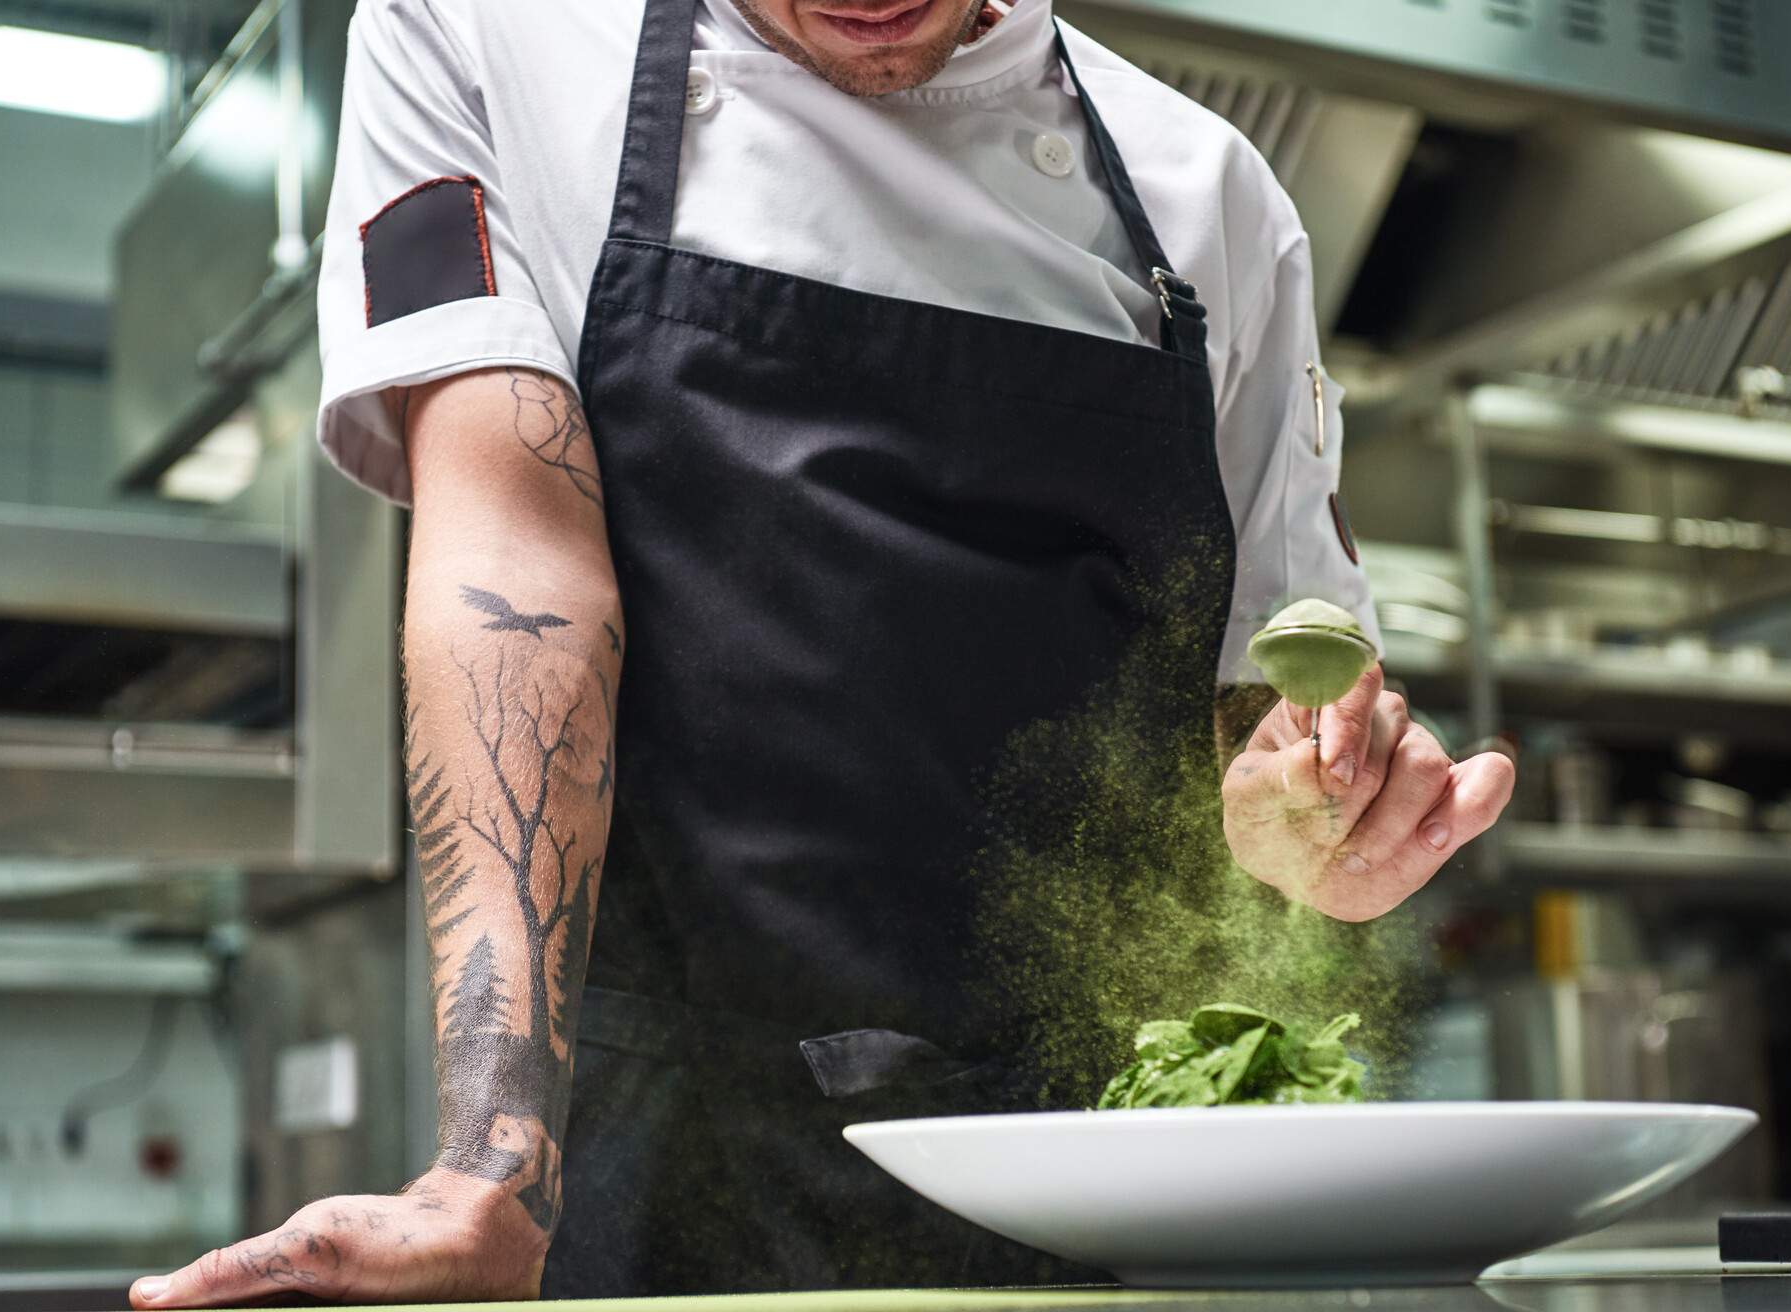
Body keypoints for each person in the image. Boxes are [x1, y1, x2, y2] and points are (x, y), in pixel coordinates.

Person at [128, 0, 1514, 1303]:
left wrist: (1310, 817)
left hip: (1102, 1186)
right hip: (667, 1169)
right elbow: (516, 565)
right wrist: (491, 1157)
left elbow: (1266, 709)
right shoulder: (488, 36)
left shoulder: (1208, 196)